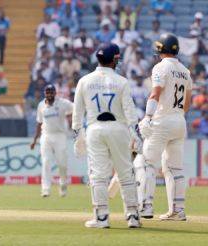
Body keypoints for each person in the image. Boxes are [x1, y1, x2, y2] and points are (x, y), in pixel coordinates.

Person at [72, 43, 143, 228]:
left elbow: (77, 112)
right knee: (126, 173)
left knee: (98, 176)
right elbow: (129, 111)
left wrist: (78, 135)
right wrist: (136, 134)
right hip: (119, 129)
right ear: (115, 59)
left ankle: (101, 218)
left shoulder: (85, 80)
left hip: (95, 130)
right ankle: (133, 217)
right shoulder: (122, 81)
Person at [135, 33, 192, 221]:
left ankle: (145, 206)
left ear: (161, 49)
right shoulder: (185, 71)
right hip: (179, 121)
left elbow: (155, 93)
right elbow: (187, 104)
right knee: (175, 168)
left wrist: (147, 117)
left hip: (162, 120)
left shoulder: (160, 67)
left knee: (147, 163)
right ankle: (178, 210)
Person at [30, 84, 72, 197]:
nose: (49, 94)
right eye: (47, 92)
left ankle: (63, 186)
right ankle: (46, 189)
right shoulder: (41, 105)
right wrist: (34, 140)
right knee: (46, 162)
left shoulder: (63, 103)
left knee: (62, 163)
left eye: (51, 92)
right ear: (45, 93)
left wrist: (73, 121)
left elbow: (75, 108)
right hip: (46, 136)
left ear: (55, 93)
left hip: (60, 135)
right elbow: (39, 123)